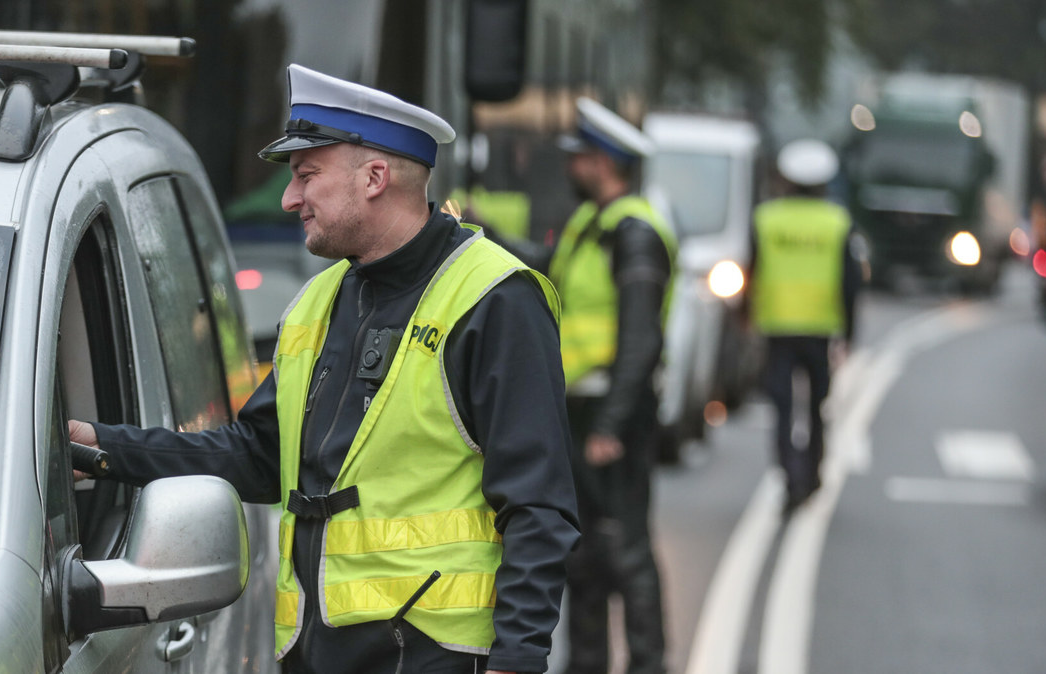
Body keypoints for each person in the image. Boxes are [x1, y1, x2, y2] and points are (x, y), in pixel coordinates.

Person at [70, 63, 579, 674]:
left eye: (306, 176)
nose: (289, 199)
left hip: (436, 658)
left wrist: (518, 660)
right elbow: (258, 458)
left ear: (374, 177)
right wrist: (101, 448)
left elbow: (537, 505)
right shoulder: (319, 301)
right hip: (316, 654)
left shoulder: (493, 298)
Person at [500, 97, 675, 674]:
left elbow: (640, 339)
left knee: (626, 548)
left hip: (611, 411)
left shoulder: (635, 233)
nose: (570, 166)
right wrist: (484, 231)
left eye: (579, 157)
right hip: (581, 406)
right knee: (583, 553)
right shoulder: (591, 224)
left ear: (602, 163)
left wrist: (611, 426)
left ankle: (648, 663)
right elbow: (547, 267)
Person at [746, 138, 860, 514]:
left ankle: (791, 476)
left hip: (777, 328)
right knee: (816, 407)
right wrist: (849, 333)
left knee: (780, 408)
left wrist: (746, 316)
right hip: (820, 329)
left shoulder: (766, 218)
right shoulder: (837, 222)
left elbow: (752, 271)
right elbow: (850, 283)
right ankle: (812, 474)